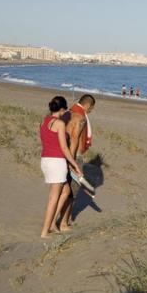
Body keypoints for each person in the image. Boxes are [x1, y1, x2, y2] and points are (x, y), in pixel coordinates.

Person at [39, 96, 82, 238]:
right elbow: (64, 147)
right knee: (53, 197)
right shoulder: (59, 124)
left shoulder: (44, 121)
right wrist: (75, 164)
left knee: (66, 191)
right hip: (57, 162)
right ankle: (45, 232)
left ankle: (51, 224)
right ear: (62, 110)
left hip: (46, 160)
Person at [57, 94, 96, 229]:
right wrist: (72, 162)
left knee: (63, 189)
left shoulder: (68, 113)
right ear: (88, 105)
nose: (90, 111)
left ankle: (63, 220)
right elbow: (74, 140)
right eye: (91, 108)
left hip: (61, 153)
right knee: (71, 192)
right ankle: (63, 222)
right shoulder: (80, 118)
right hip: (74, 156)